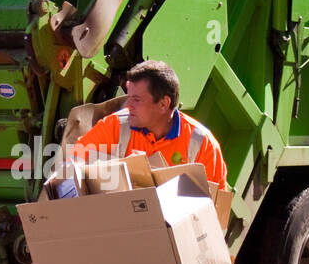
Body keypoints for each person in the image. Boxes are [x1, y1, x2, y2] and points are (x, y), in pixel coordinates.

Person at [74, 59, 228, 189]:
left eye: (136, 99)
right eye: (129, 97)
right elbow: (73, 163)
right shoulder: (116, 125)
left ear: (163, 104)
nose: (128, 105)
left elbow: (214, 206)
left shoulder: (203, 144)